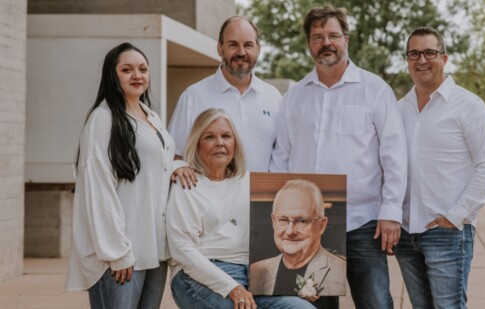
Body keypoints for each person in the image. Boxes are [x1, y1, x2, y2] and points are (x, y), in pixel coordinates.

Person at [269, 6, 408, 309]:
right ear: (309, 43)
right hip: (308, 228)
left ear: (346, 39)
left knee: (376, 304)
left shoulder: (374, 90)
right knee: (313, 306)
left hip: (363, 223)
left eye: (333, 35)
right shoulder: (295, 96)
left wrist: (391, 212)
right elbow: (281, 158)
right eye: (318, 37)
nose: (326, 42)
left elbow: (394, 155)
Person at [65, 42, 184, 308]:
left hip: (155, 248)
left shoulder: (151, 117)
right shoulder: (103, 119)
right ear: (112, 75)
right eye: (127, 69)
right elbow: (98, 190)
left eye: (143, 69)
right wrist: (117, 253)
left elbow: (158, 165)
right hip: (122, 253)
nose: (137, 75)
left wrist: (177, 167)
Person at [166, 108, 315, 309]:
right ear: (197, 143)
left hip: (254, 275)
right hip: (197, 274)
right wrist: (232, 287)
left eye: (226, 136)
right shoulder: (187, 183)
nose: (220, 142)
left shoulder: (251, 184)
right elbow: (182, 250)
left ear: (234, 144)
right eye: (209, 137)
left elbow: (271, 243)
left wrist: (297, 282)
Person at [395, 27, 485, 309]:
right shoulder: (399, 109)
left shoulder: (469, 105)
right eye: (414, 53)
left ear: (444, 57)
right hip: (406, 233)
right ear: (407, 60)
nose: (422, 60)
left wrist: (455, 216)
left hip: (447, 232)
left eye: (429, 52)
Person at [168, 16, 281, 188]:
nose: (241, 52)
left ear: (258, 49)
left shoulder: (274, 98)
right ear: (220, 47)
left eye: (248, 45)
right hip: (207, 203)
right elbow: (174, 154)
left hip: (258, 203)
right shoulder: (193, 96)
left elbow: (282, 156)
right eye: (233, 44)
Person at [249, 179, 346, 299]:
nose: (290, 232)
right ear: (274, 222)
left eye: (302, 221)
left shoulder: (342, 271)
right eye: (283, 220)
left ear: (322, 225)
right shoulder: (256, 271)